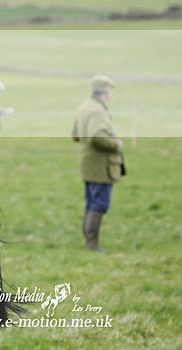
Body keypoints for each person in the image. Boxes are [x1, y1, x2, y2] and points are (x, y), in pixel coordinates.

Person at [71, 75, 126, 251]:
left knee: (91, 202)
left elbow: (75, 134)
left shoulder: (85, 106)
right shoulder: (97, 110)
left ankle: (89, 239)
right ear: (105, 91)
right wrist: (116, 144)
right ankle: (92, 243)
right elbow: (97, 137)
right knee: (99, 204)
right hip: (101, 165)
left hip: (88, 164)